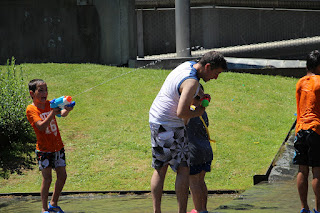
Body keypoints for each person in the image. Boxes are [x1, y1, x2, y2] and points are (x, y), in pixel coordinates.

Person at [149, 51, 227, 213]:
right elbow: (182, 113)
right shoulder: (192, 81)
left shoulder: (188, 65)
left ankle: (156, 211)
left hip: (156, 119)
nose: (216, 77)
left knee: (160, 168)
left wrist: (198, 97)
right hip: (171, 124)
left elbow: (183, 92)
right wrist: (199, 111)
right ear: (207, 66)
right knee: (183, 169)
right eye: (216, 73)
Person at [26, 79, 73, 213]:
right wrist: (52, 113)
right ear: (32, 93)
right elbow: (40, 126)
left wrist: (67, 110)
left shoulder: (49, 104)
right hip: (44, 149)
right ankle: (44, 209)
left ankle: (53, 203)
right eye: (40, 90)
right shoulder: (31, 109)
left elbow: (61, 113)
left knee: (62, 176)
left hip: (58, 147)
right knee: (47, 179)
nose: (45, 93)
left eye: (46, 90)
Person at [293, 50, 320, 213]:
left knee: (302, 169)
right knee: (317, 170)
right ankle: (319, 209)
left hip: (300, 130)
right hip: (316, 129)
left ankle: (304, 208)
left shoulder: (300, 83)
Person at [187, 85, 213, 213]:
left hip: (194, 152)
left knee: (193, 182)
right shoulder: (203, 111)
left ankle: (198, 210)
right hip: (206, 150)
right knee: (201, 180)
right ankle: (203, 209)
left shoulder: (189, 111)